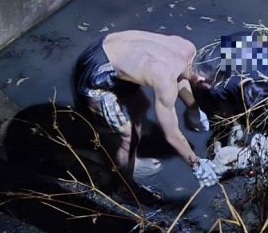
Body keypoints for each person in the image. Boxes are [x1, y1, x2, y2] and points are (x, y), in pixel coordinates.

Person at [74, 30, 224, 188]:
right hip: (96, 75)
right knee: (130, 136)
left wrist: (193, 109)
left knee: (141, 106)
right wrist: (197, 165)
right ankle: (125, 185)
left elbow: (182, 75)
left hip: (110, 50)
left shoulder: (188, 48)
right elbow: (171, 134)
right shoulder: (165, 79)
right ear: (201, 80)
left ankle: (126, 151)